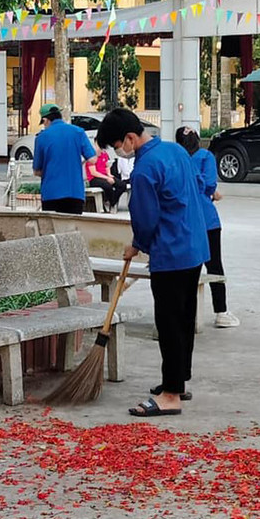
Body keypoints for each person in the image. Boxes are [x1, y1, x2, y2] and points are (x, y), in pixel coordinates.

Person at [97, 108, 208, 418]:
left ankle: (171, 395)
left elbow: (146, 219)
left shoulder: (145, 170)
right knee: (184, 320)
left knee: (169, 323)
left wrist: (136, 245)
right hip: (194, 247)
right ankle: (177, 381)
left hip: (171, 253)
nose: (119, 151)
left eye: (118, 145)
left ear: (130, 139)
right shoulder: (175, 150)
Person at [174, 127, 239, 328]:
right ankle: (221, 312)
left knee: (186, 266)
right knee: (214, 264)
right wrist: (209, 193)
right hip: (207, 220)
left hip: (183, 218)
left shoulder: (176, 159)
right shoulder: (206, 157)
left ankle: (184, 312)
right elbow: (210, 184)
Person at [31, 103, 96, 214]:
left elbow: (37, 171)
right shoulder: (78, 132)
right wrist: (76, 163)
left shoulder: (41, 137)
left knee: (52, 230)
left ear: (45, 120)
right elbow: (92, 159)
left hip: (51, 193)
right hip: (75, 192)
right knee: (73, 229)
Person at [85, 144, 126, 212]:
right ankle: (111, 202)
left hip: (105, 176)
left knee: (122, 185)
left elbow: (107, 166)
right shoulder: (91, 156)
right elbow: (93, 172)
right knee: (108, 186)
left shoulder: (104, 154)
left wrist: (109, 174)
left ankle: (111, 202)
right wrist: (106, 178)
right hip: (94, 178)